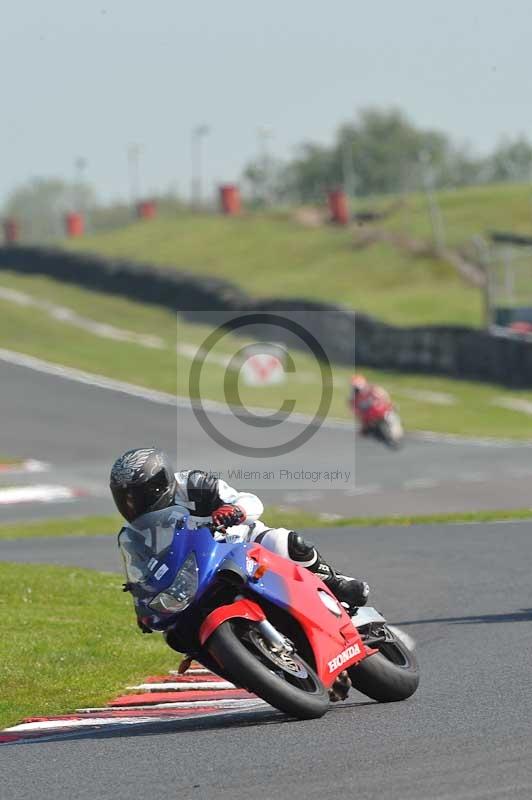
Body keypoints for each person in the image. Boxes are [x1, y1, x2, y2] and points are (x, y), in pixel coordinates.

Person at [110, 447, 369, 611]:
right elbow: (142, 569)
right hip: (195, 572)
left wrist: (235, 511)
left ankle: (336, 583)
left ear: (159, 484)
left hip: (242, 544)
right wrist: (141, 594)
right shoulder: (137, 533)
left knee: (285, 542)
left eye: (137, 495)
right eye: (125, 498)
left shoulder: (193, 483)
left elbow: (251, 502)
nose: (132, 505)